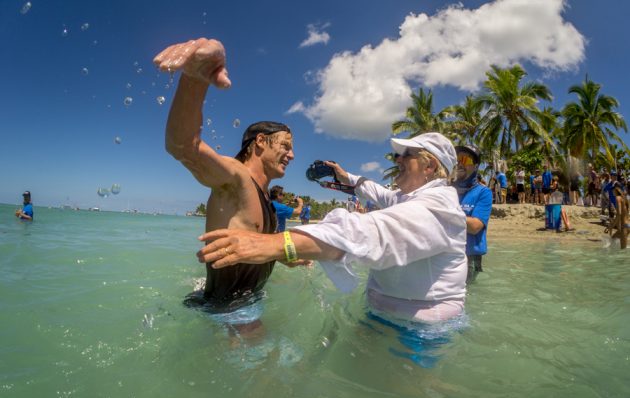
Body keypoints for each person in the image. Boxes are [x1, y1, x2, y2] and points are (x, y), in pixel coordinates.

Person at [196, 132, 468, 326]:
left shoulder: (440, 206)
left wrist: (277, 245)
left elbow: (374, 232)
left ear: (430, 165)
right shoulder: (405, 197)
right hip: (380, 314)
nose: (396, 159)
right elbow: (375, 191)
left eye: (405, 155)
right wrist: (344, 176)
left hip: (424, 329)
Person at [153, 38, 303, 331]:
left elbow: (251, 246)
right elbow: (182, 146)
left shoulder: (266, 200)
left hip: (241, 305)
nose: (292, 154)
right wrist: (196, 78)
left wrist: (281, 256)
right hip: (230, 314)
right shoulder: (236, 177)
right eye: (286, 145)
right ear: (260, 142)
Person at [453, 145, 493, 283]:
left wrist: (444, 212)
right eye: (457, 159)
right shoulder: (446, 190)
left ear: (476, 167)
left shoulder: (484, 192)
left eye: (465, 159)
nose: (460, 163)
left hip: (470, 258)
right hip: (448, 254)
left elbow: (475, 226)